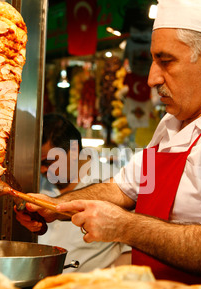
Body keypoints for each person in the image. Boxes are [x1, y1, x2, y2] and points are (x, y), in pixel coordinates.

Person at [16, 0, 201, 284]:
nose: (152, 77)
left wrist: (124, 226)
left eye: (166, 62)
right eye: (154, 60)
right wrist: (55, 208)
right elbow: (123, 189)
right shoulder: (172, 123)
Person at [16, 113, 131, 272]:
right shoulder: (38, 182)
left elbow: (130, 255)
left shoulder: (118, 185)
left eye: (48, 162)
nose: (43, 169)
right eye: (39, 163)